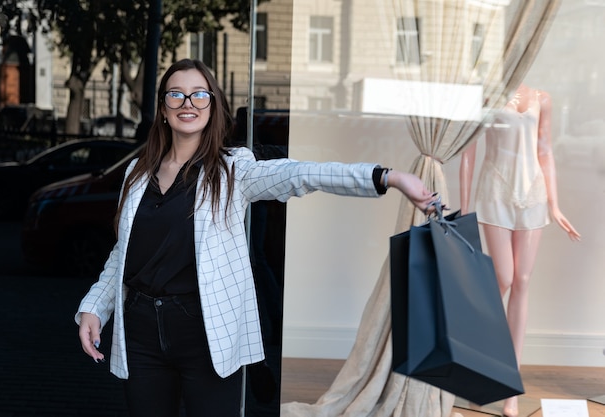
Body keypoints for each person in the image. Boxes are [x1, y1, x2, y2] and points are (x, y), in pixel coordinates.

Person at [75, 58, 437, 417]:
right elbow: (124, 252)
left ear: (213, 105)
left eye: (199, 95)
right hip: (140, 333)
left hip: (205, 331)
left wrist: (387, 177)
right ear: (163, 109)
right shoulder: (137, 175)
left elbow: (303, 174)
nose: (188, 104)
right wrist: (94, 307)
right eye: (177, 95)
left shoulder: (234, 170)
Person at [460, 83, 580, 417]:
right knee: (504, 277)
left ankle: (510, 390)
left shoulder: (543, 97)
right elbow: (468, 152)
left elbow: (545, 151)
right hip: (495, 189)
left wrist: (555, 205)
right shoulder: (485, 95)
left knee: (522, 281)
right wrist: (465, 206)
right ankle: (477, 367)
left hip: (533, 193)